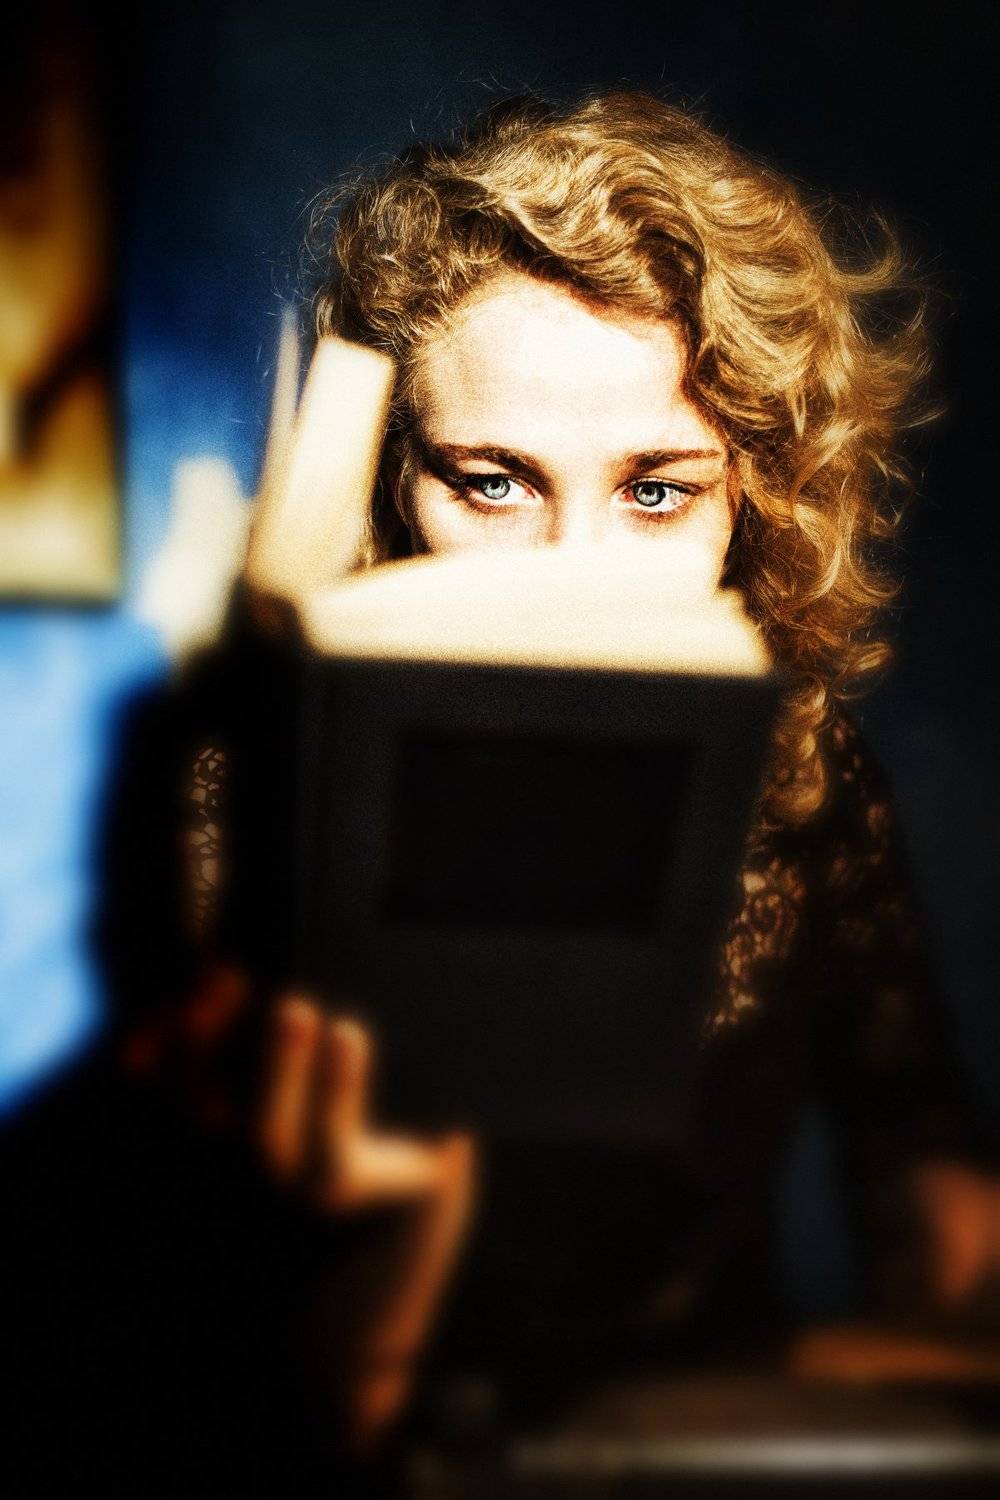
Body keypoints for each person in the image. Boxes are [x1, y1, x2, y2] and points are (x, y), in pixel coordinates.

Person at [8, 90, 998, 1487]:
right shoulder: (232, 792)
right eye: (491, 482)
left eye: (656, 491)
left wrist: (931, 1339)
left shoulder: (801, 774)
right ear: (392, 484)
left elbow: (918, 1148)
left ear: (750, 503)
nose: (572, 568)